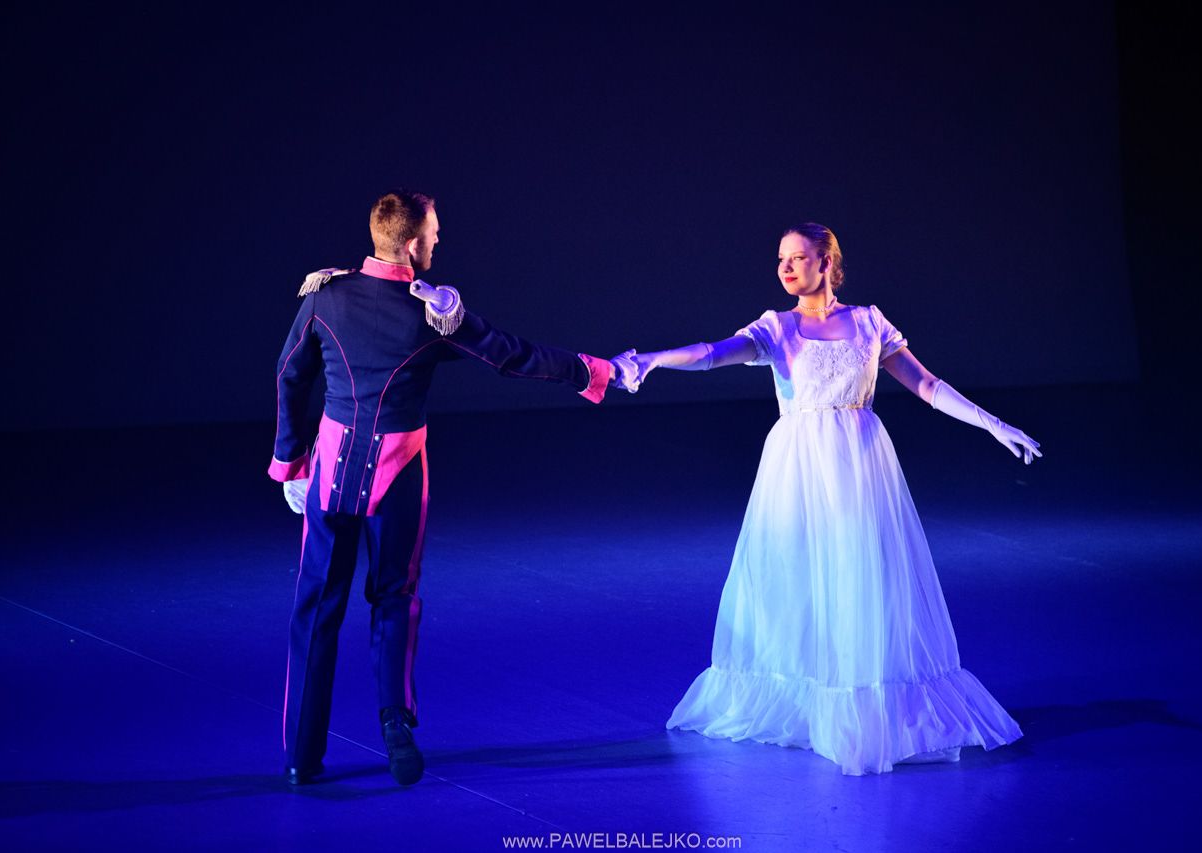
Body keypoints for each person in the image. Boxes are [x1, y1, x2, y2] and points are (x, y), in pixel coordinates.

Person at [613, 223, 1038, 775]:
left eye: (797, 257)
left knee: (862, 577)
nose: (785, 268)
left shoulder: (869, 322)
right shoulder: (777, 327)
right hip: (798, 468)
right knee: (800, 582)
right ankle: (813, 702)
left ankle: (866, 706)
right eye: (781, 259)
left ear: (826, 262)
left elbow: (928, 386)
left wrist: (993, 423)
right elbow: (713, 353)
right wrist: (652, 360)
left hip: (860, 464)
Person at [269, 189, 633, 786]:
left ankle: (300, 758)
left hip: (331, 473)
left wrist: (290, 461)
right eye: (434, 234)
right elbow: (513, 356)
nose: (439, 241)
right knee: (395, 597)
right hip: (398, 473)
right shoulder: (431, 314)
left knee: (316, 605)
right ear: (413, 245)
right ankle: (395, 721)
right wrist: (595, 371)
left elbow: (289, 374)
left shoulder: (324, 297)